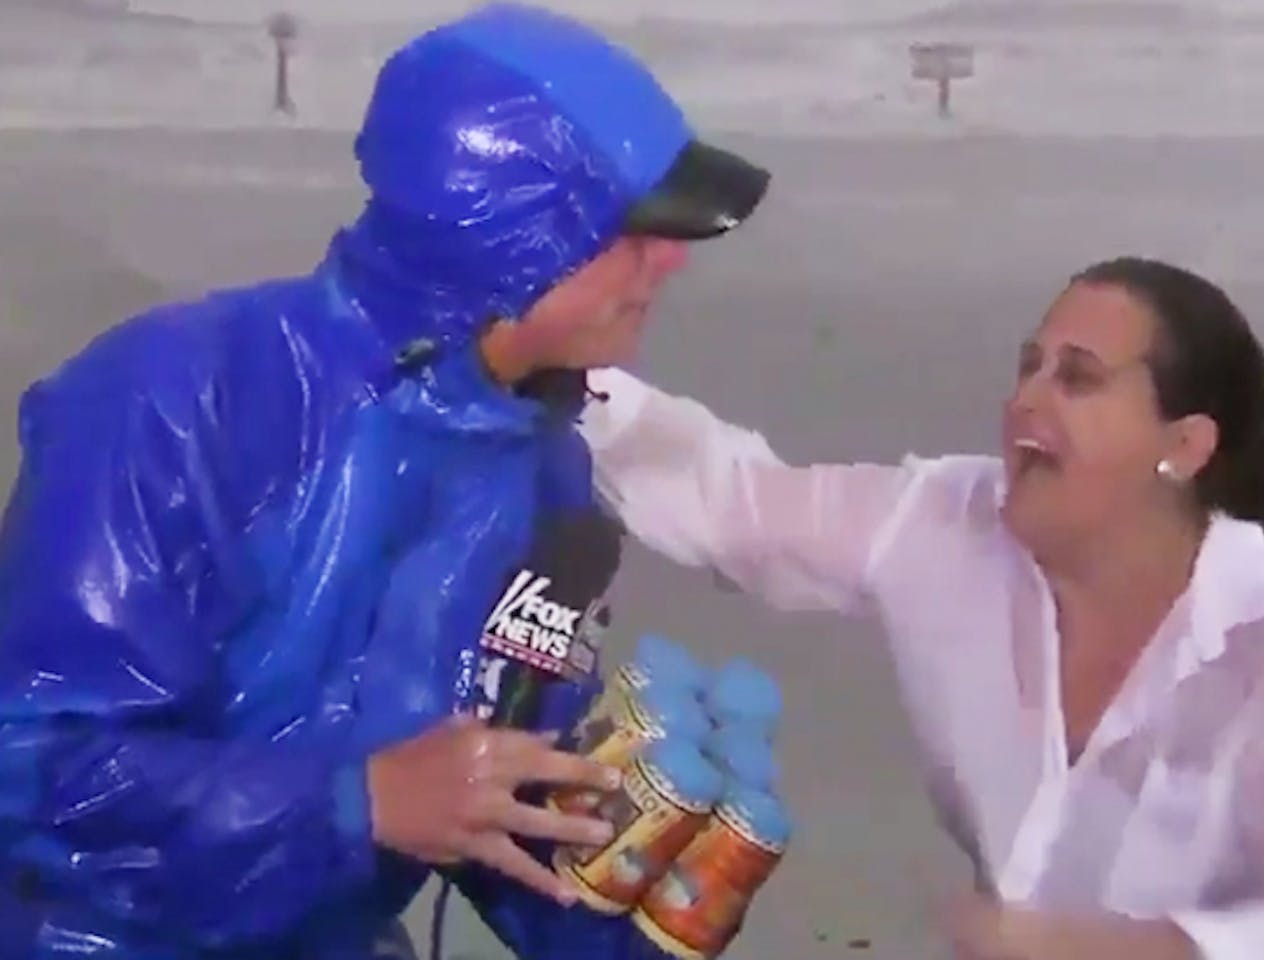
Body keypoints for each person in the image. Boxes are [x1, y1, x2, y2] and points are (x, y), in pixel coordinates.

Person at [0, 4, 769, 958]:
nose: (672, 263)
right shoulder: (180, 401)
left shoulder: (547, 477)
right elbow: (32, 761)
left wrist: (624, 909)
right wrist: (356, 802)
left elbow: (492, 798)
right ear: (518, 233)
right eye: (637, 232)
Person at [577, 256, 1264, 959]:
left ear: (1182, 446)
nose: (1027, 399)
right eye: (1029, 367)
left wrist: (1126, 952)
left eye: (1079, 378)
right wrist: (555, 368)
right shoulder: (947, 526)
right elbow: (732, 504)